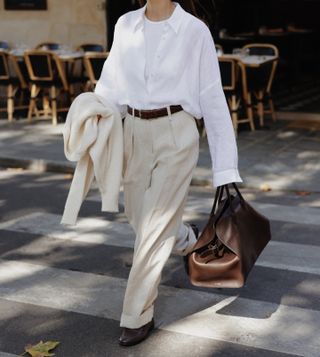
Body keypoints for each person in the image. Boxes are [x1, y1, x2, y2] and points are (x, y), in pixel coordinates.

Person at [94, 0, 242, 346]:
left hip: (177, 131)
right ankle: (186, 238)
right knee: (138, 215)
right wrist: (94, 120)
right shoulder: (125, 25)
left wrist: (225, 168)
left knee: (152, 229)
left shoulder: (194, 31)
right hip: (132, 129)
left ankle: (136, 314)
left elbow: (212, 98)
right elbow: (110, 84)